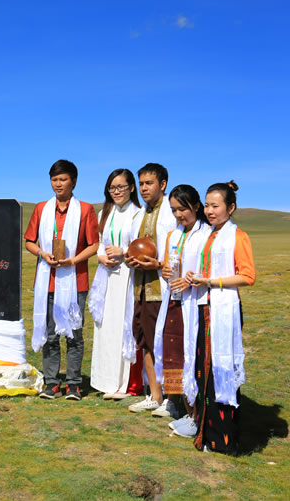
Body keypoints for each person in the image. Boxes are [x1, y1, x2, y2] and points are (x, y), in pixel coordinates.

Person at [184, 181, 255, 454]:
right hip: (205, 307)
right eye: (207, 205)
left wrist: (212, 281)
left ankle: (222, 439)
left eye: (216, 206)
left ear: (231, 207)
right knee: (204, 371)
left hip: (222, 311)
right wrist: (195, 277)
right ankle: (205, 431)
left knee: (219, 371)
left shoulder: (238, 237)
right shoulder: (209, 235)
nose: (209, 211)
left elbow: (248, 276)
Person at [25, 159, 99, 401]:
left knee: (74, 334)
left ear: (74, 181)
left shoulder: (86, 210)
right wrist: (42, 254)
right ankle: (52, 382)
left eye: (63, 179)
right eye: (54, 179)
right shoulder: (41, 209)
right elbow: (29, 241)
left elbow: (94, 244)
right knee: (50, 334)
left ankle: (74, 384)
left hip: (75, 280)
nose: (58, 184)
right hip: (47, 281)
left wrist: (74, 260)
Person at [122, 163, 177, 417]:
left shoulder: (171, 214)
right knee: (144, 339)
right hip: (141, 288)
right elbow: (132, 247)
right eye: (141, 183)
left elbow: (179, 250)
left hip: (164, 288)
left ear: (162, 184)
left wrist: (159, 264)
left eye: (149, 183)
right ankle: (154, 395)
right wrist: (128, 259)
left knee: (166, 343)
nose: (143, 188)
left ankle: (172, 399)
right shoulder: (138, 215)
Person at [156, 184, 212, 436]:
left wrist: (192, 279)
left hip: (197, 303)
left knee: (195, 356)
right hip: (175, 301)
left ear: (196, 206)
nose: (179, 215)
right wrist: (165, 270)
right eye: (174, 210)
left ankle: (199, 415)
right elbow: (169, 265)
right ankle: (188, 411)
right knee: (176, 353)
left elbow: (212, 269)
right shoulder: (173, 235)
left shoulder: (207, 234)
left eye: (183, 209)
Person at [88, 168, 143, 400]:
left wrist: (124, 251)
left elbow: (144, 246)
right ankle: (104, 379)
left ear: (132, 188)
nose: (116, 192)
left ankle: (126, 384)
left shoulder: (139, 214)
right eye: (112, 188)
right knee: (106, 328)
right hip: (107, 277)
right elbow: (99, 242)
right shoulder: (104, 213)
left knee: (125, 326)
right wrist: (101, 256)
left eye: (121, 187)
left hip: (129, 277)